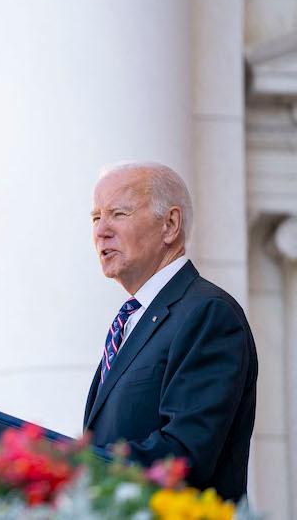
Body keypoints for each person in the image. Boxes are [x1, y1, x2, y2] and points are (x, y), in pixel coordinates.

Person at [83, 162, 257, 501]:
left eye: (118, 213)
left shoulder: (207, 313)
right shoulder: (129, 322)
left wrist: (75, 467)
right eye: (95, 217)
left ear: (170, 225)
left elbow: (184, 455)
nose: (101, 230)